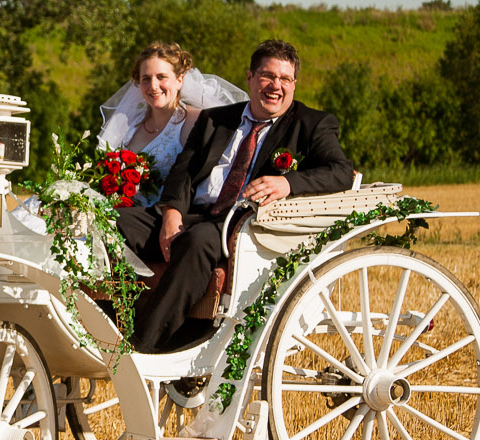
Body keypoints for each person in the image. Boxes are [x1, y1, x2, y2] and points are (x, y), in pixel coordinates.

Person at [115, 39, 355, 353]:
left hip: (241, 226)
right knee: (110, 219)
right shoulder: (216, 119)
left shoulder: (312, 124)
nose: (275, 86)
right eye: (267, 76)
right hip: (193, 215)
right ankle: (95, 321)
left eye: (285, 79)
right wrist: (171, 214)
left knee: (196, 240)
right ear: (250, 78)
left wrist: (289, 184)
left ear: (294, 84)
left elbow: (341, 172)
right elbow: (182, 173)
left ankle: (143, 345)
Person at [96, 43, 244, 206]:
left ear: (179, 80)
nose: (153, 86)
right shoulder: (130, 124)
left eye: (161, 77)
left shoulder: (197, 121)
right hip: (121, 215)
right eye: (146, 79)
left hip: (166, 217)